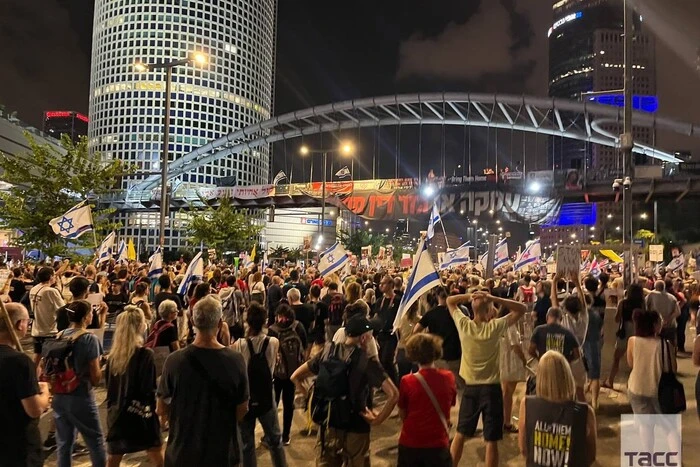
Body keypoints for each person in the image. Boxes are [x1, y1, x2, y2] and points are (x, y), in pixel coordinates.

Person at [291, 315, 399, 467]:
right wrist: (377, 420)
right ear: (363, 338)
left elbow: (295, 376)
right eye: (370, 336)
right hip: (357, 425)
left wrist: (310, 395)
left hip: (329, 423)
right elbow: (394, 395)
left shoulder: (327, 352)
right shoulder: (367, 362)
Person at [156, 295, 249, 466]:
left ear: (192, 321)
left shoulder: (174, 361)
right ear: (220, 324)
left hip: (182, 451)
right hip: (223, 451)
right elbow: (242, 408)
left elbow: (161, 408)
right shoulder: (236, 361)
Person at [447, 290, 527, 467]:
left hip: (471, 388)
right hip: (491, 389)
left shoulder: (464, 325)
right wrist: (493, 298)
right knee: (491, 440)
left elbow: (450, 301)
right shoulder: (495, 327)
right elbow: (522, 308)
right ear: (488, 310)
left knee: (461, 433)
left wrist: (470, 296)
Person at [47, 300, 106, 467]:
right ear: (87, 317)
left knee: (64, 443)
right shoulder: (89, 339)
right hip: (80, 395)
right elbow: (95, 376)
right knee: (95, 440)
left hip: (59, 394)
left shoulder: (59, 335)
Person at [105, 306, 163, 467]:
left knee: (113, 458)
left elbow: (110, 388)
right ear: (140, 326)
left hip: (117, 414)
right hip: (141, 414)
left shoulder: (112, 358)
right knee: (157, 457)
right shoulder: (146, 355)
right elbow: (148, 389)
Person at [232, 303, 287, 467]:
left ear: (247, 322)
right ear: (265, 322)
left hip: (246, 395)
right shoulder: (273, 342)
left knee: (247, 442)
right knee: (275, 439)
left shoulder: (239, 345)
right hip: (266, 394)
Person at [518, 351, 596, 466]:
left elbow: (524, 449)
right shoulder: (585, 412)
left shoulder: (526, 405)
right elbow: (590, 457)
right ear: (567, 376)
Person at [0, 303, 50, 467]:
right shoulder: (19, 361)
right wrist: (44, 391)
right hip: (17, 447)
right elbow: (34, 409)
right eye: (28, 322)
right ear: (20, 324)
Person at [398, 333, 456, 467]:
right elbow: (450, 403)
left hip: (411, 441)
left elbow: (402, 412)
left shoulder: (407, 381)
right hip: (438, 442)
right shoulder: (448, 377)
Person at [269, 303, 307, 445]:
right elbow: (305, 346)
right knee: (288, 403)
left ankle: (273, 434)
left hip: (277, 373)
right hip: (294, 372)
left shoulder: (272, 330)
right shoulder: (298, 327)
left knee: (274, 403)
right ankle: (286, 435)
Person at [414, 287, 463, 391]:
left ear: (437, 297)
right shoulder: (457, 312)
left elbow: (416, 330)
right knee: (459, 386)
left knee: (440, 386)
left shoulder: (431, 313)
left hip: (438, 354)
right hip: (455, 353)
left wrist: (428, 339)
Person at [627, 309, 674, 414]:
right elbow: (672, 369)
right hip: (659, 391)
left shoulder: (632, 341)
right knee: (667, 425)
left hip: (637, 388)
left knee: (644, 426)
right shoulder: (665, 345)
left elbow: (631, 364)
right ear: (654, 325)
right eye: (660, 321)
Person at [551, 272, 588, 401]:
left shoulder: (564, 319)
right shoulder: (584, 319)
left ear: (565, 308)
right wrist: (577, 282)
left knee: (563, 391)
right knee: (579, 391)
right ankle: (584, 415)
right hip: (579, 358)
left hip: (564, 357)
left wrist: (554, 281)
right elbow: (583, 303)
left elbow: (554, 302)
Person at [603, 283, 645, 389]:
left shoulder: (623, 303)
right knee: (636, 360)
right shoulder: (642, 304)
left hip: (625, 332)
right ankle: (633, 383)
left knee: (616, 358)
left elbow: (616, 319)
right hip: (638, 332)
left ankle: (610, 381)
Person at [30, 266, 65, 365]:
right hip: (50, 330)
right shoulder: (51, 291)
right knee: (49, 360)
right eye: (54, 275)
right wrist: (59, 288)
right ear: (50, 277)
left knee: (37, 355)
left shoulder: (34, 289)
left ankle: (33, 376)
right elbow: (62, 309)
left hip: (36, 328)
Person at [373, 275, 401, 385]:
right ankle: (385, 384)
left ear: (391, 285)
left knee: (387, 360)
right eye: (380, 283)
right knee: (380, 361)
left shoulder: (398, 300)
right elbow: (376, 315)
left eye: (383, 283)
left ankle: (394, 383)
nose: (381, 286)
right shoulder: (380, 300)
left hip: (391, 335)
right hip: (380, 335)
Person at [583, 275, 604, 409]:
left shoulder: (582, 307)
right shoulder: (601, 301)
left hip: (586, 340)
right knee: (594, 369)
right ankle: (594, 399)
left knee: (591, 371)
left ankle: (593, 401)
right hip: (597, 337)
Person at [645, 280, 680, 348]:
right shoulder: (672, 297)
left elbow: (645, 309)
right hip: (670, 325)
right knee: (671, 345)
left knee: (656, 346)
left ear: (655, 286)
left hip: (655, 326)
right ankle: (671, 357)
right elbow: (678, 312)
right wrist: (668, 319)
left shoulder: (651, 296)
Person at [396, 301, 421, 382]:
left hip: (402, 349)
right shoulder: (420, 320)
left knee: (402, 378)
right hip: (415, 350)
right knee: (416, 379)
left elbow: (397, 333)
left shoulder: (400, 319)